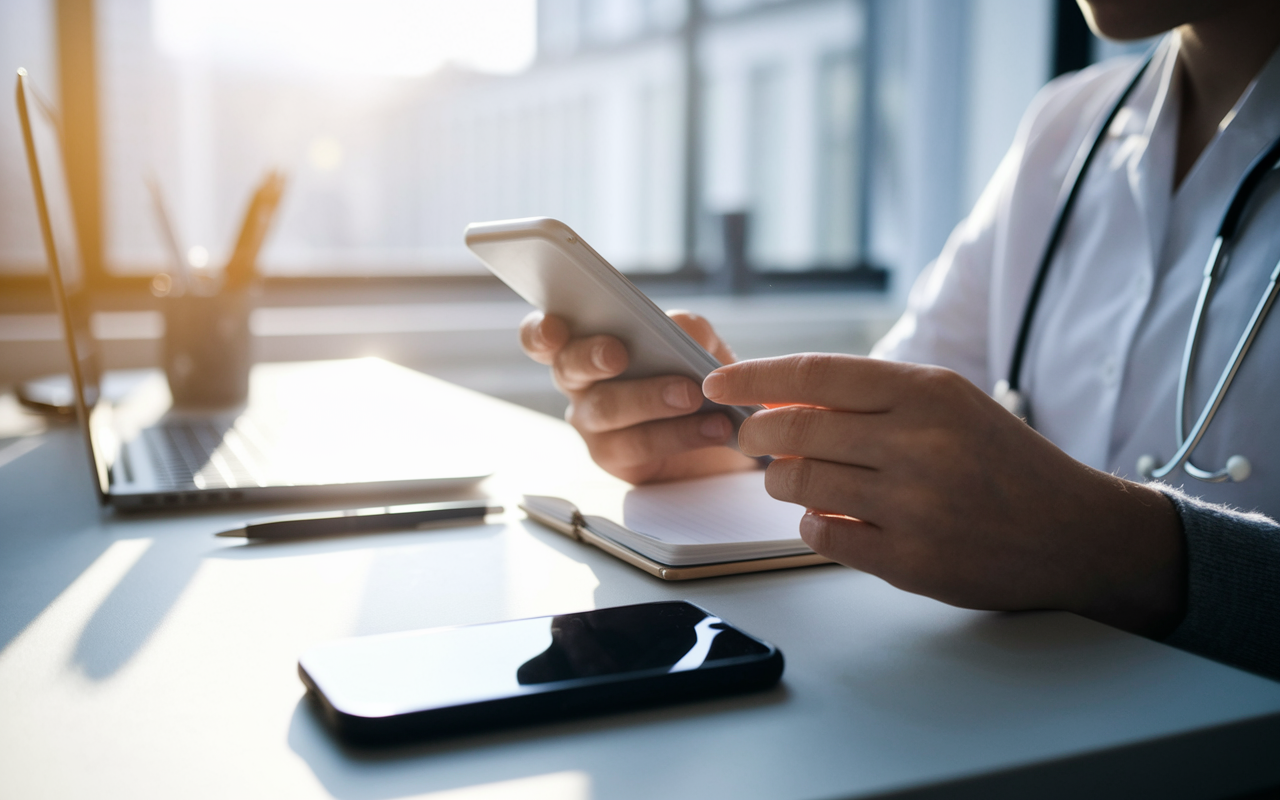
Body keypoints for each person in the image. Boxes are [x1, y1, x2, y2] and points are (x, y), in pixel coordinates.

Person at [519, 0, 1280, 679]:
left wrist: (1125, 549)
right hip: (1023, 701)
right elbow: (902, 422)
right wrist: (732, 436)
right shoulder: (1068, 126)